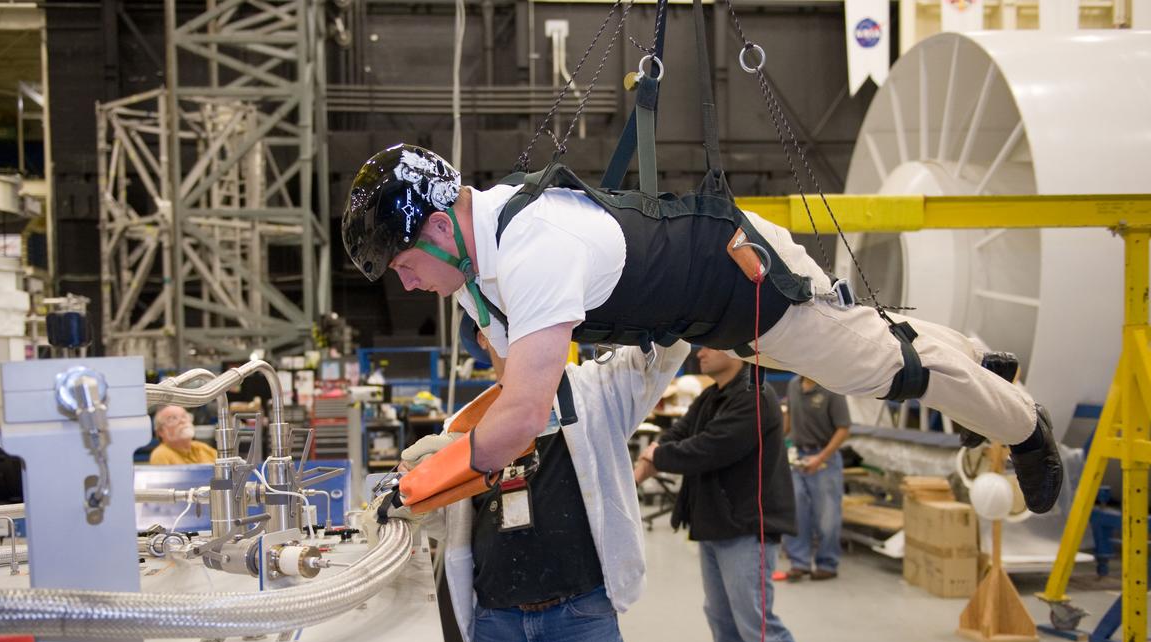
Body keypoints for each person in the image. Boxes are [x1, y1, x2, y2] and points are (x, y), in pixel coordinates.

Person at [342, 144, 1062, 517]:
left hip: (743, 281)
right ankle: (979, 366)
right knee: (866, 339)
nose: (406, 285)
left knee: (880, 369)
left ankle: (1025, 423)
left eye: (403, 265)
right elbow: (516, 390)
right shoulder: (473, 277)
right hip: (707, 311)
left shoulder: (531, 248)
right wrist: (451, 446)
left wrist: (417, 483)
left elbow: (523, 417)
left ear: (439, 228)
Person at [398, 314, 689, 642]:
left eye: (526, 318)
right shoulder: (466, 424)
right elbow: (448, 521)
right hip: (497, 629)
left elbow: (665, 352)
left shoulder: (596, 392)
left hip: (580, 619)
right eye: (497, 327)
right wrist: (412, 494)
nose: (511, 336)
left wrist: (630, 302)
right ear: (482, 340)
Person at [634, 348, 833, 642]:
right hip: (715, 524)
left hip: (746, 526)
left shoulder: (754, 399)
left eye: (709, 344)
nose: (699, 352)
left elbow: (711, 447)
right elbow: (679, 434)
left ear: (736, 350)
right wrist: (657, 451)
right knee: (724, 621)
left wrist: (657, 456)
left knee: (756, 624)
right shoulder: (713, 396)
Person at [782, 376, 852, 581]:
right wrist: (777, 440)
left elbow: (843, 428)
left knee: (827, 515)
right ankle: (799, 562)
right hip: (797, 457)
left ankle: (827, 563)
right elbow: (789, 419)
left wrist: (821, 457)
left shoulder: (832, 386)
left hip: (824, 459)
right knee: (796, 510)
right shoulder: (793, 385)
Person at [148, 404, 216, 464]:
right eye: (173, 418)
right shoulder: (161, 454)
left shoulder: (203, 447)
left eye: (184, 416)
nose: (182, 421)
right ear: (161, 431)